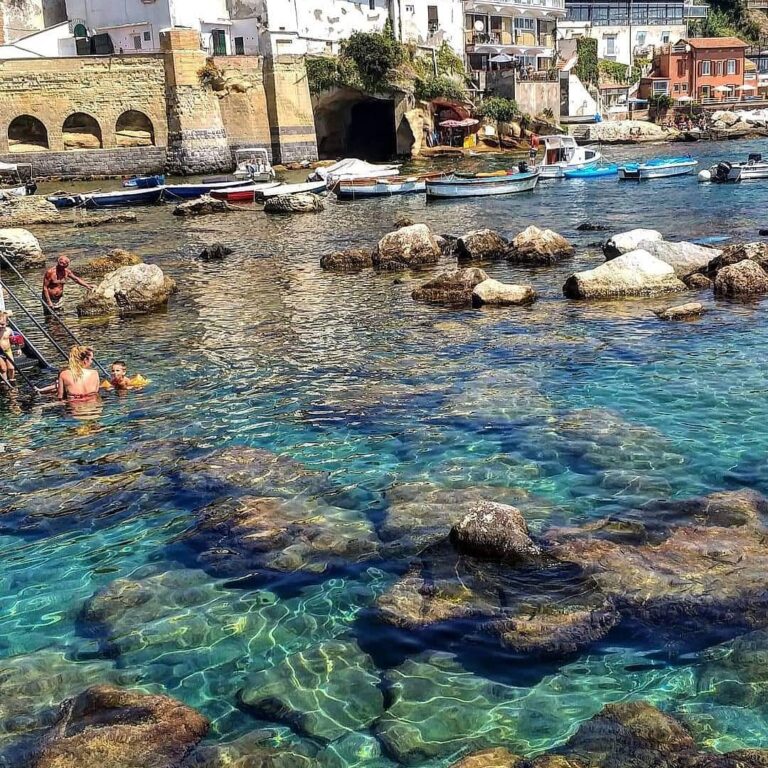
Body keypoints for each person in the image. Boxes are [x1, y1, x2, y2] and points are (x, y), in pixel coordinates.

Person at [0, 310, 15, 386]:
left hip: (8, 351)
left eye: (2, 324)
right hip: (0, 352)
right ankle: (4, 382)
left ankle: (12, 381)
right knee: (3, 368)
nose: (0, 326)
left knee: (11, 368)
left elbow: (15, 340)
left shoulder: (9, 331)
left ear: (7, 323)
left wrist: (18, 348)